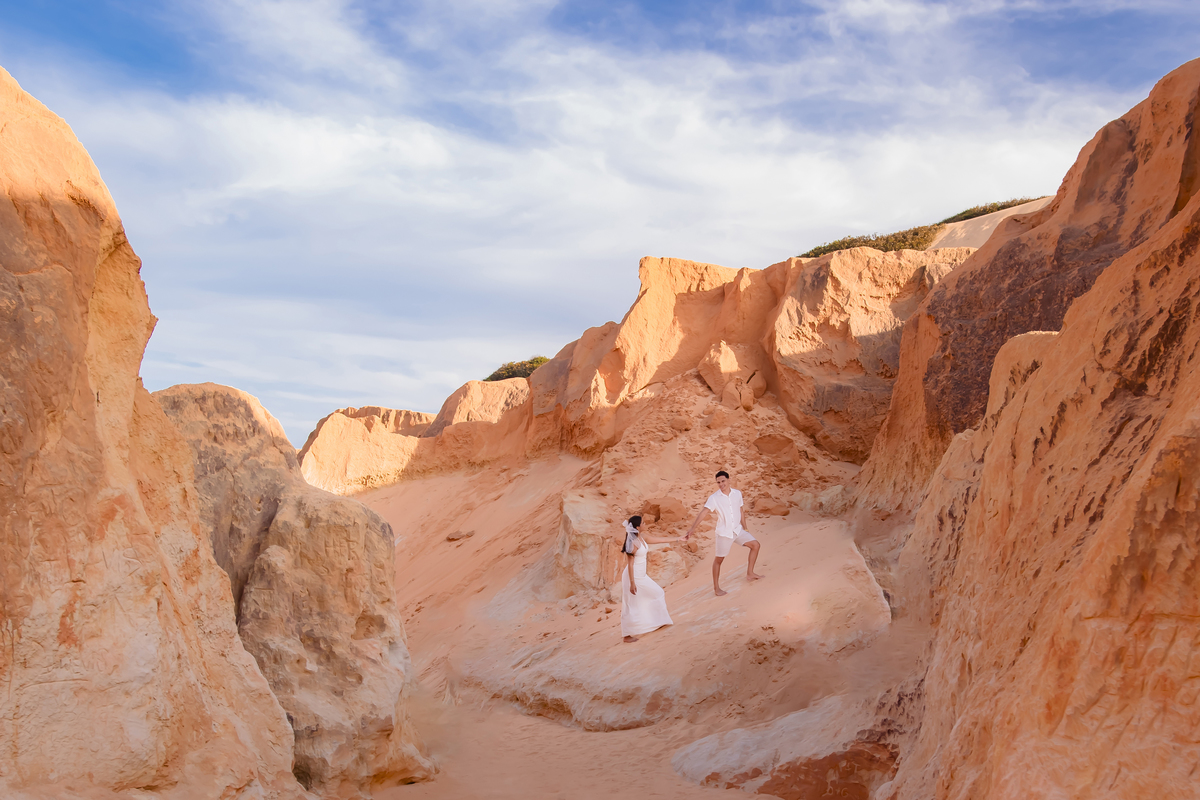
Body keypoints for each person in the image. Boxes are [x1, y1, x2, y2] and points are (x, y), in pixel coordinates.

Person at [684, 470, 764, 596]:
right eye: (718, 482)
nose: (721, 484)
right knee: (719, 560)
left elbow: (741, 510)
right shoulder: (714, 498)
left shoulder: (737, 494)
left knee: (755, 545)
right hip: (724, 533)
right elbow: (704, 512)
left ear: (729, 480)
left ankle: (750, 573)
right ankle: (716, 588)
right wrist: (692, 528)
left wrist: (745, 528)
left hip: (738, 530)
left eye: (723, 481)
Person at [620, 515, 686, 643]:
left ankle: (657, 622)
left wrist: (679, 538)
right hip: (633, 576)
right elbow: (630, 564)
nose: (645, 524)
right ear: (638, 527)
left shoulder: (643, 537)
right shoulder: (632, 543)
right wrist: (632, 583)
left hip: (642, 575)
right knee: (630, 603)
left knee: (657, 593)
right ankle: (626, 635)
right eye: (643, 523)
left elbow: (659, 540)